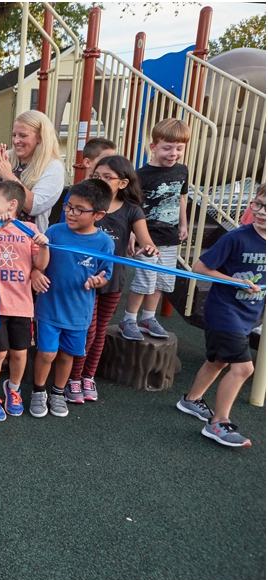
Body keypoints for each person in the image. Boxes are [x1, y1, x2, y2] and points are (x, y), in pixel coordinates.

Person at [66, 156, 158, 403]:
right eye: (97, 176)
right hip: (83, 280)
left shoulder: (131, 209)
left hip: (112, 279)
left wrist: (148, 248)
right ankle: (73, 378)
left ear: (123, 182)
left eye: (108, 177)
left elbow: (144, 238)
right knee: (86, 330)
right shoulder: (84, 204)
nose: (101, 181)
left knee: (98, 333)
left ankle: (88, 376)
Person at [181, 184, 265, 447]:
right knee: (244, 368)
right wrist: (235, 282)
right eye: (258, 204)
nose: (261, 212)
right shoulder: (236, 238)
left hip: (248, 313)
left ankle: (191, 400)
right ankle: (218, 423)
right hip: (224, 312)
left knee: (218, 361)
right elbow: (200, 267)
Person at [31, 179, 114, 419]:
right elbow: (38, 261)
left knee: (67, 355)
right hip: (49, 307)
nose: (70, 213)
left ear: (98, 214)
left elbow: (105, 273)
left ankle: (58, 392)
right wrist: (36, 273)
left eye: (79, 210)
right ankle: (38, 391)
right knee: (46, 353)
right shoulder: (54, 232)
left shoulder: (104, 242)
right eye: (68, 206)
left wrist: (99, 280)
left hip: (79, 313)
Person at [0, 181, 49, 421]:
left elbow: (39, 265)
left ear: (12, 204)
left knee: (20, 352)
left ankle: (14, 389)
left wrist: (43, 246)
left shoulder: (28, 228)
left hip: (22, 304)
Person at [119, 118, 190, 341]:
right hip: (146, 236)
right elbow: (132, 205)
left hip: (169, 236)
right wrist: (132, 232)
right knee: (144, 279)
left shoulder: (182, 170)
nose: (173, 153)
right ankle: (128, 319)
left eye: (179, 148)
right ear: (153, 147)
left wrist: (184, 223)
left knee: (161, 280)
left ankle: (148, 318)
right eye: (167, 148)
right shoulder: (141, 175)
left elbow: (180, 197)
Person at [0, 109, 64, 232]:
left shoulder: (53, 166)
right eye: (14, 135)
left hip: (26, 241)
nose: (15, 140)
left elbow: (35, 206)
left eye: (23, 135)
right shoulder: (6, 157)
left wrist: (8, 176)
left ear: (40, 138)